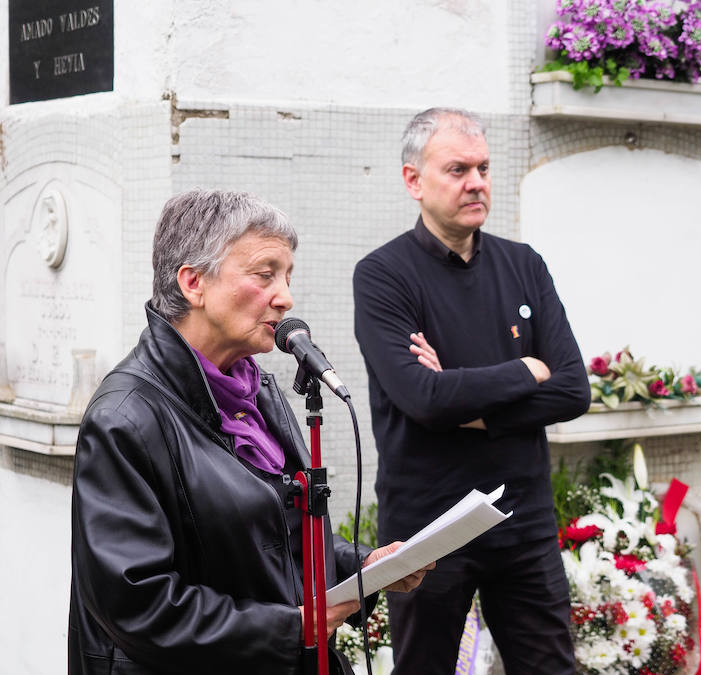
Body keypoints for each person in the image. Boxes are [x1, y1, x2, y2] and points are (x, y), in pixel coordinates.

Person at [69, 189, 429, 675]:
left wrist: (362, 567)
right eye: (265, 274)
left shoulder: (255, 387)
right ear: (194, 283)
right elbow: (138, 603)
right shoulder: (124, 417)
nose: (286, 297)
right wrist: (292, 629)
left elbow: (273, 534)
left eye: (287, 275)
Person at [352, 108, 592, 673]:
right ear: (414, 180)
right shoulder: (384, 275)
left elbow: (574, 391)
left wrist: (474, 409)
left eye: (483, 167)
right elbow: (422, 399)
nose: (476, 182)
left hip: (523, 520)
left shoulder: (523, 264)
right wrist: (526, 370)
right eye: (457, 169)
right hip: (429, 529)